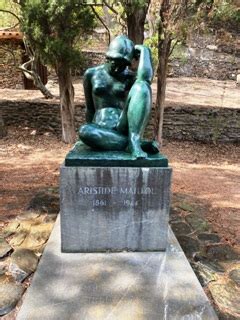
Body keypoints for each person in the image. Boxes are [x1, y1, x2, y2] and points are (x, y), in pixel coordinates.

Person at [79, 35, 156, 159]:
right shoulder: (91, 74)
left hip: (122, 124)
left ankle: (134, 140)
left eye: (123, 63)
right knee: (84, 131)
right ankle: (133, 143)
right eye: (115, 61)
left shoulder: (130, 77)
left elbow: (146, 78)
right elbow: (89, 108)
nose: (118, 67)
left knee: (142, 87)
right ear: (108, 57)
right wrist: (90, 135)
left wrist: (144, 50)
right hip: (100, 127)